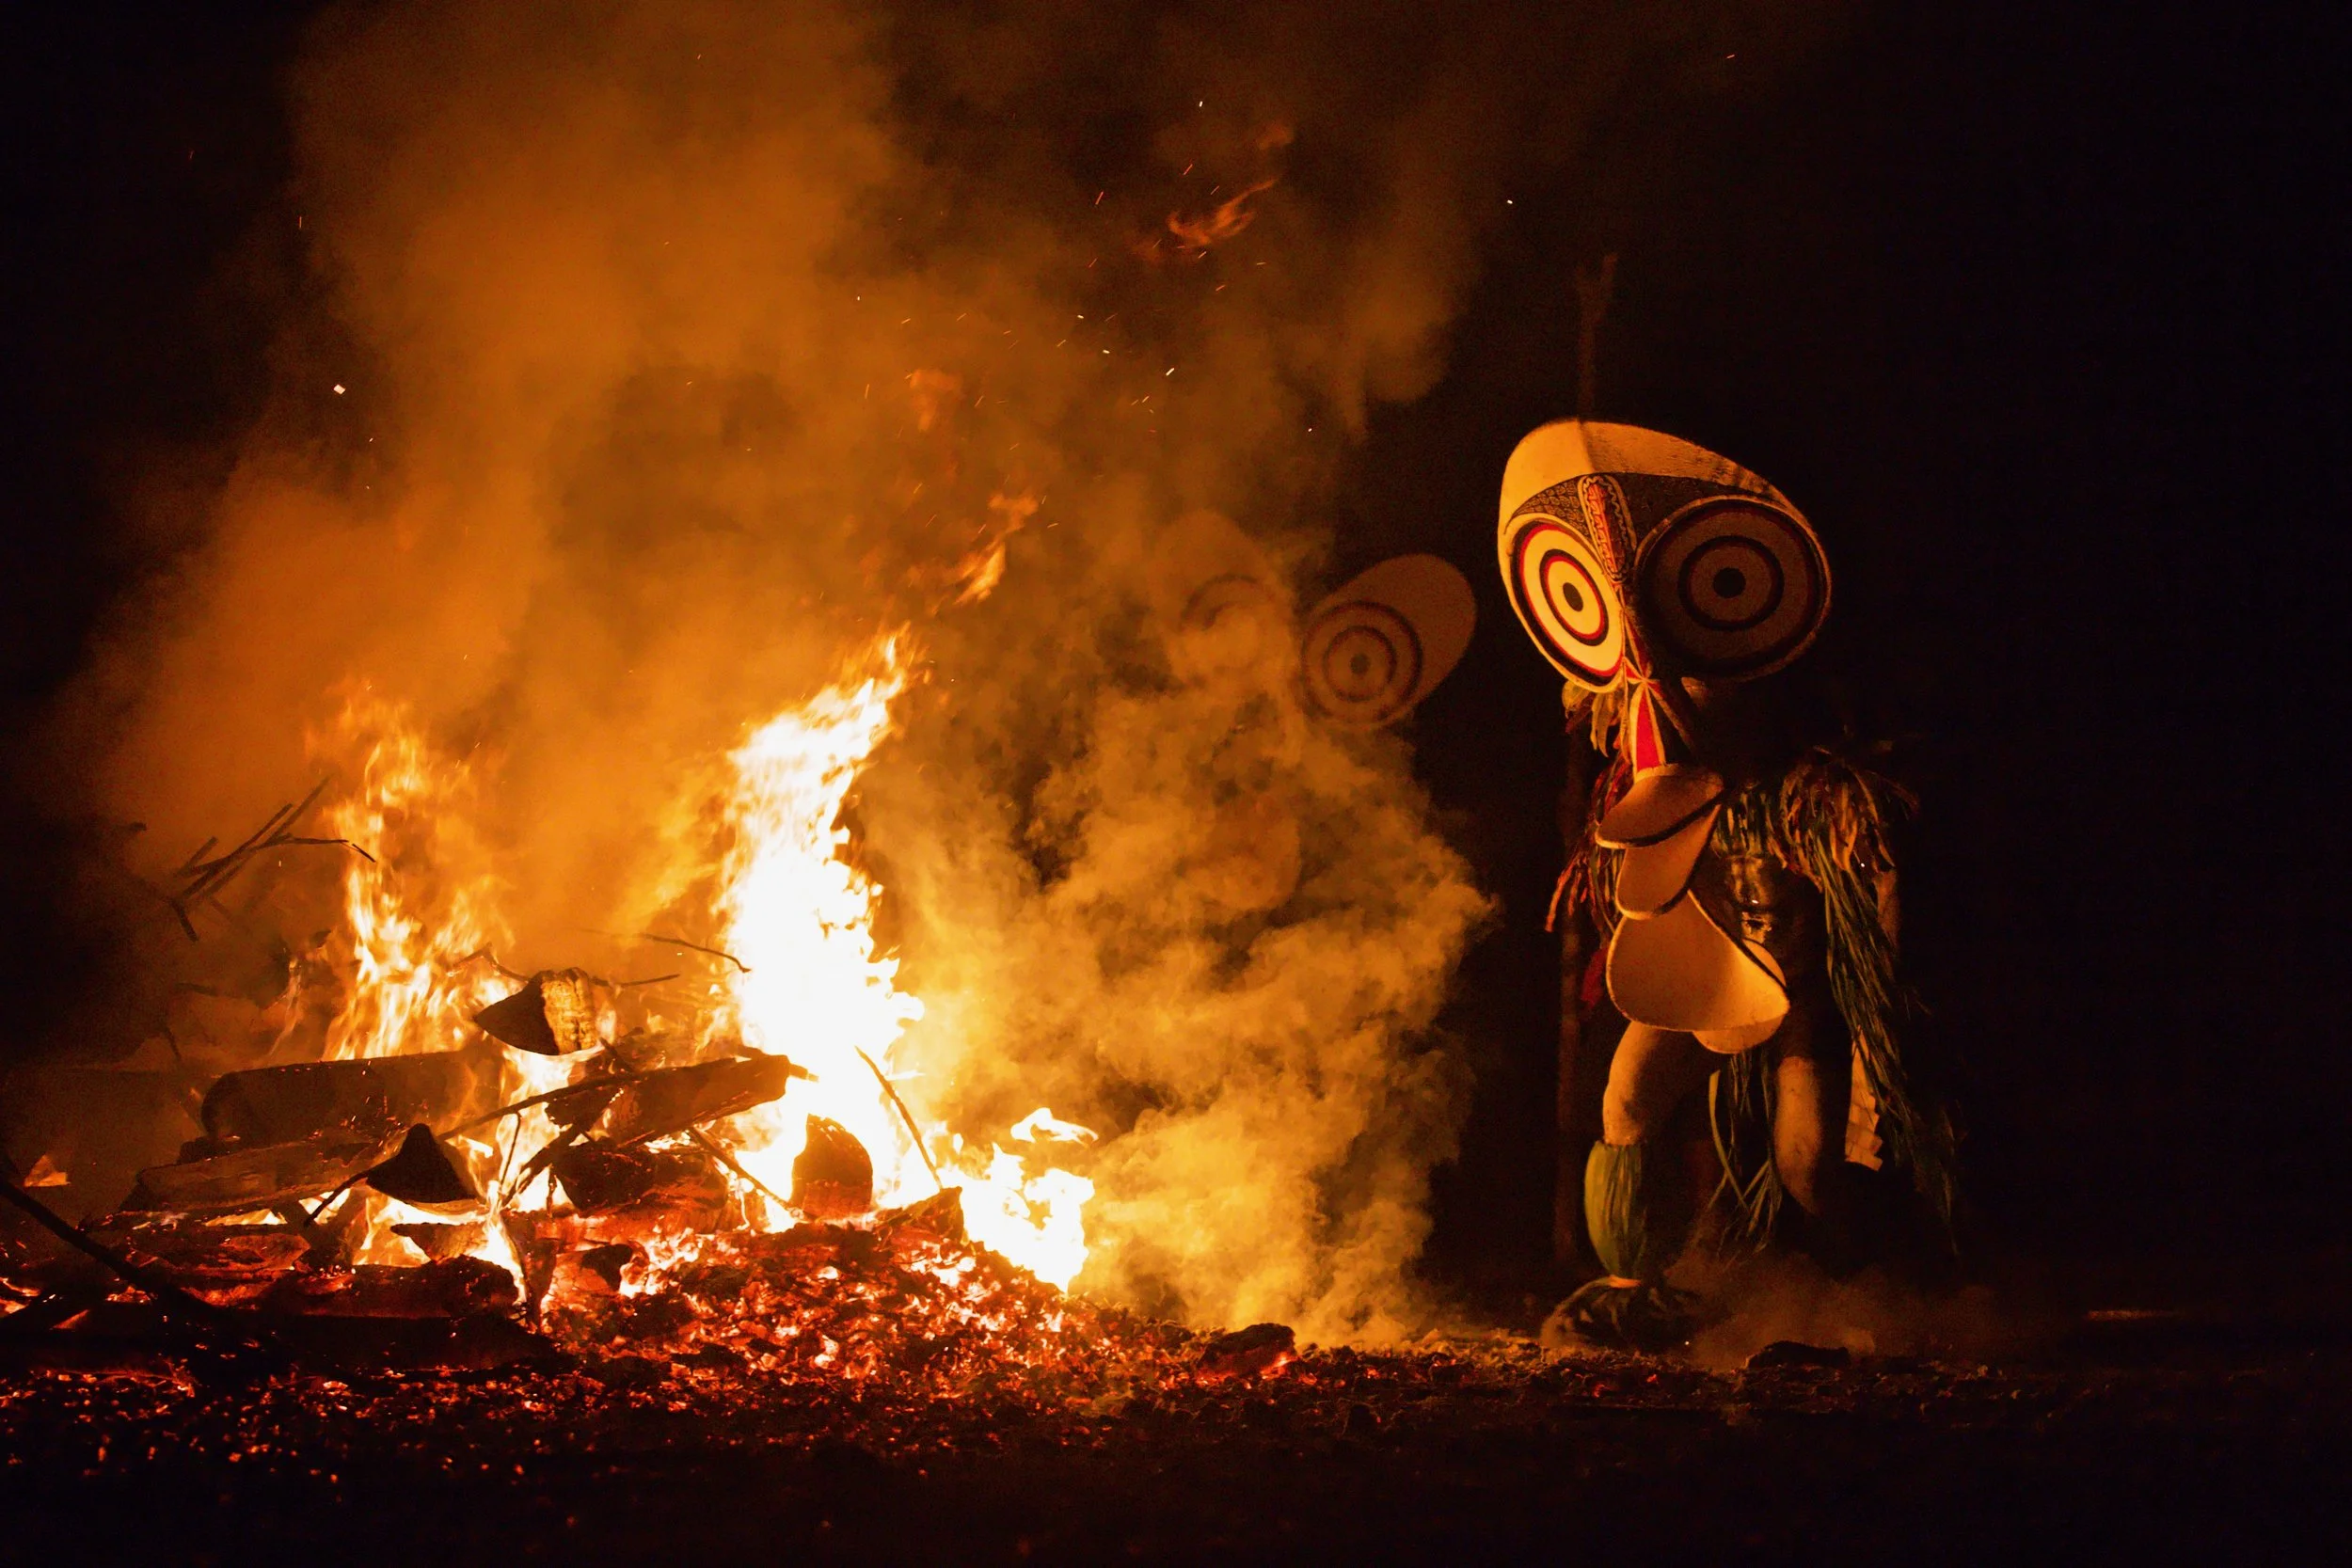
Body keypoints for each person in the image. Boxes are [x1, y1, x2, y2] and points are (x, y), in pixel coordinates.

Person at [1495, 420, 1956, 1350]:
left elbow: (1879, 896)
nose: (1680, 714)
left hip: (1796, 1001)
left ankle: (1855, 1297)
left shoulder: (1815, 799)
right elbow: (1595, 705)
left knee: (1807, 1164)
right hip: (1694, 973)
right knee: (1626, 1100)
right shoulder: (1644, 769)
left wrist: (1881, 1013)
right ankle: (1634, 1283)